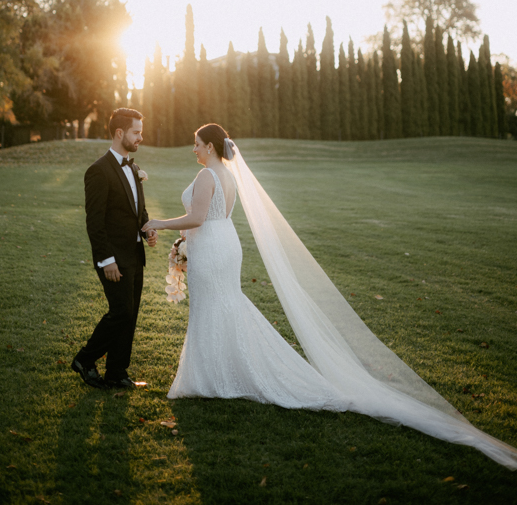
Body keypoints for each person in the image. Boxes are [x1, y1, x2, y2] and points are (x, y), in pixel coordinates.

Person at [143, 123, 517, 471]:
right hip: (223, 244)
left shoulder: (207, 173)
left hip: (212, 247)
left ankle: (213, 378)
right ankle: (215, 375)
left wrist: (159, 223)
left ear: (209, 146)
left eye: (196, 143)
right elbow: (212, 218)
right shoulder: (227, 175)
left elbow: (197, 218)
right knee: (225, 307)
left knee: (216, 308)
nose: (193, 149)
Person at [72, 108, 157, 391]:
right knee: (120, 311)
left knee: (130, 313)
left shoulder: (133, 168)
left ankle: (117, 372)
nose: (140, 137)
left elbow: (136, 211)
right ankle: (85, 360)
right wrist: (106, 260)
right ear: (120, 133)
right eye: (136, 132)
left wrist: (147, 229)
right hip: (113, 258)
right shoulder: (98, 171)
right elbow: (94, 222)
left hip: (134, 254)